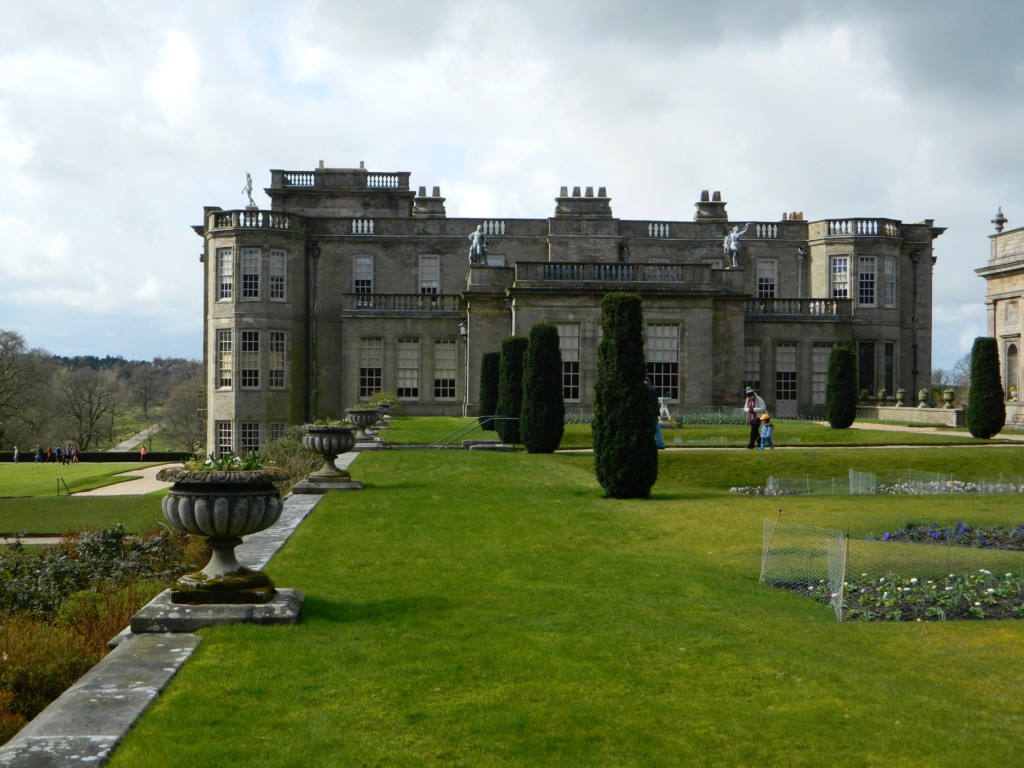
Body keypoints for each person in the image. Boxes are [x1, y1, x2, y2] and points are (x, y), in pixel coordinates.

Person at [645, 376, 667, 450]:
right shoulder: (653, 388)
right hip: (655, 412)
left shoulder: (646, 389)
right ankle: (660, 444)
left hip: (648, 412)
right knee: (656, 429)